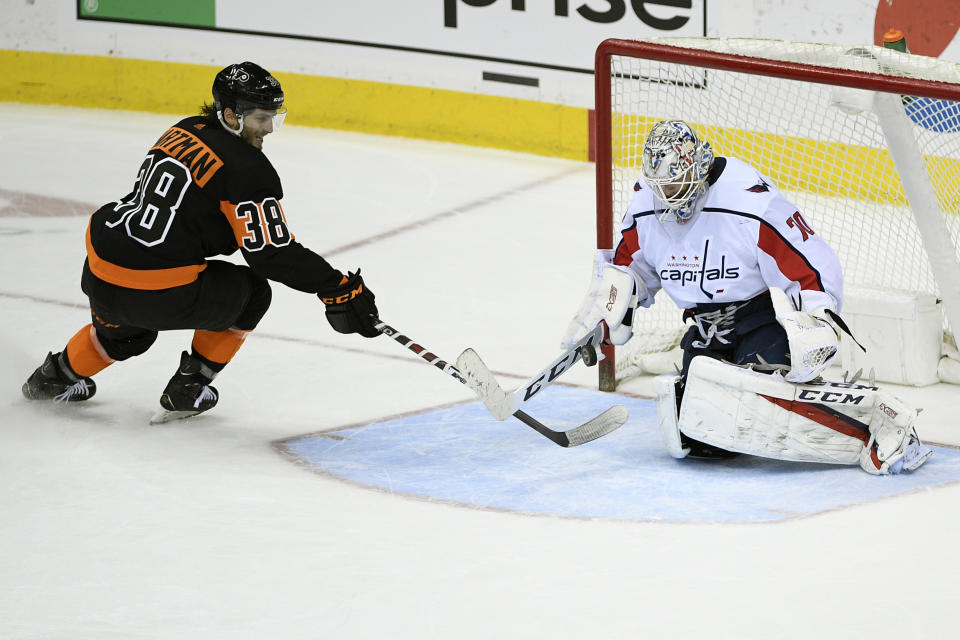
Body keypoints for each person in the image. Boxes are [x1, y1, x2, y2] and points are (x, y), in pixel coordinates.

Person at [563, 120, 932, 474]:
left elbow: (809, 263)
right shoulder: (647, 205)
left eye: (673, 184)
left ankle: (880, 422)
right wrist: (606, 312)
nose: (665, 195)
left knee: (762, 409)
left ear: (695, 169)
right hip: (706, 331)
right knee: (698, 437)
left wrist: (817, 320)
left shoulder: (747, 200)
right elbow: (630, 267)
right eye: (658, 184)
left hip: (760, 323)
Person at [21, 61, 380, 423]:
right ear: (230, 115)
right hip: (157, 290)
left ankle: (52, 378)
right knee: (253, 293)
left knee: (126, 335)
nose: (269, 128)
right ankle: (190, 388)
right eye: (260, 118)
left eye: (274, 117)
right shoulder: (247, 169)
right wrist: (337, 286)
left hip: (102, 270)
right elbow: (271, 254)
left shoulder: (182, 129)